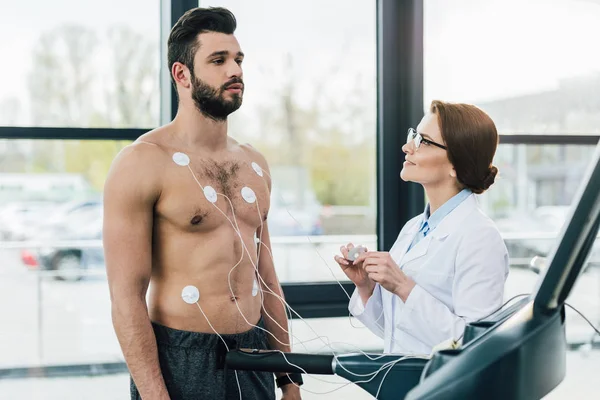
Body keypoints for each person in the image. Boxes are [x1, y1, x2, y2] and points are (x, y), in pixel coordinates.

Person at [103, 7, 301, 400]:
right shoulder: (142, 162)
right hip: (181, 359)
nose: (235, 70)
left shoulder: (254, 163)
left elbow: (268, 279)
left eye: (238, 59)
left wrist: (289, 380)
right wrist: (155, 395)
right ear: (182, 74)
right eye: (218, 60)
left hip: (255, 352)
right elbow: (126, 297)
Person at [335, 100, 509, 355]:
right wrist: (366, 287)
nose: (407, 147)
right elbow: (395, 330)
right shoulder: (414, 228)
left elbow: (475, 345)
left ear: (456, 165)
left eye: (423, 141)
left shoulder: (480, 238)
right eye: (413, 135)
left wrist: (403, 286)